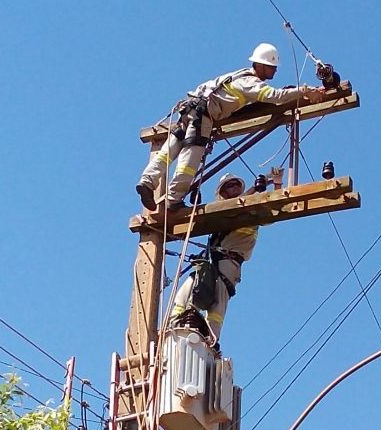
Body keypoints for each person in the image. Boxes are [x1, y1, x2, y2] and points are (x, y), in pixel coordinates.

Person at [136, 43, 324, 212]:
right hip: (203, 116)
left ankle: (147, 181)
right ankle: (173, 199)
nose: (275, 71)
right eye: (271, 66)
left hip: (189, 110)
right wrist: (305, 91)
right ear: (260, 65)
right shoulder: (250, 82)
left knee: (168, 151)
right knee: (189, 161)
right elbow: (276, 97)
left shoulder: (238, 75)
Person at [170, 174, 258, 350]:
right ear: (222, 192)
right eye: (229, 186)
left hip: (229, 262)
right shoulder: (219, 211)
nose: (234, 188)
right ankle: (175, 326)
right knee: (186, 292)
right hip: (212, 260)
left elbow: (242, 208)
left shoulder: (252, 209)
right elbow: (229, 209)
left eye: (236, 185)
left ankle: (211, 340)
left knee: (217, 303)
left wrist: (270, 185)